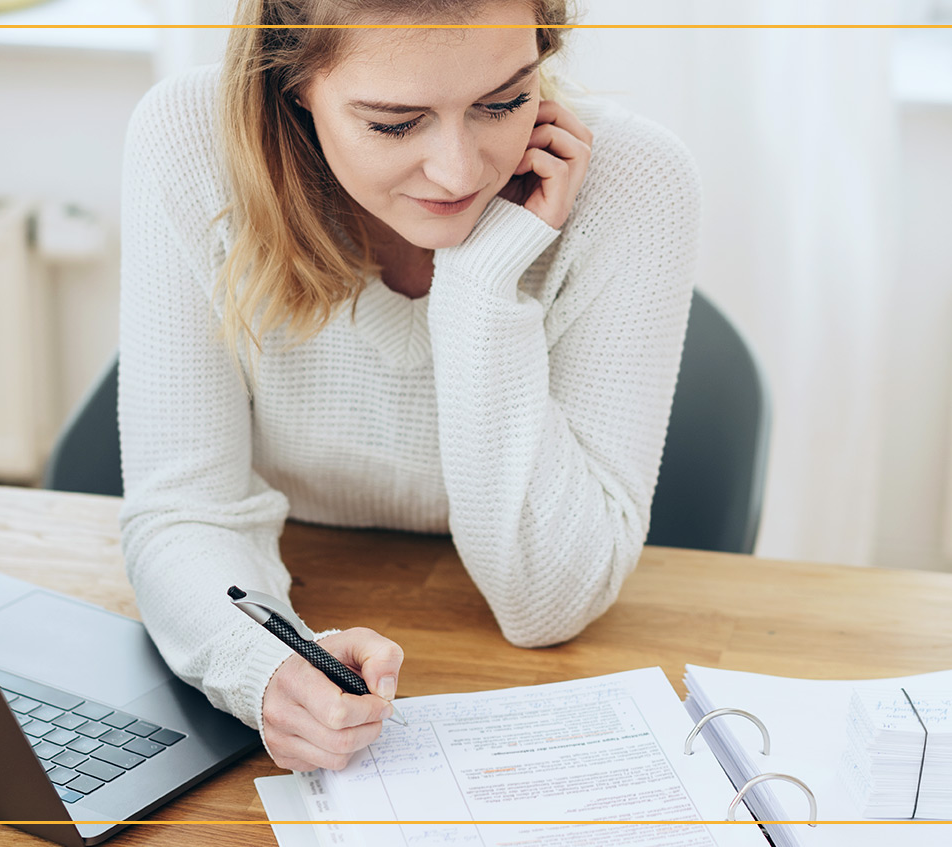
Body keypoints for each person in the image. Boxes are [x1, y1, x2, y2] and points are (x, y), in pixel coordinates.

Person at [118, 0, 700, 773]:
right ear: (293, 82)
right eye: (395, 122)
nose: (461, 171)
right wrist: (264, 668)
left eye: (504, 102)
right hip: (301, 594)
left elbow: (550, 601)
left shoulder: (636, 182)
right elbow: (184, 510)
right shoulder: (190, 140)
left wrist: (483, 282)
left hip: (509, 660)